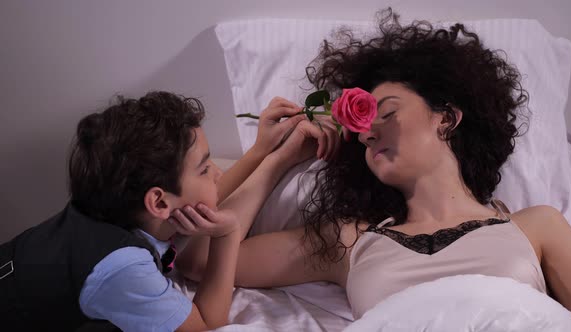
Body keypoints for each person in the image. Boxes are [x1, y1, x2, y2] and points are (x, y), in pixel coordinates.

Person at [175, 9, 571, 329]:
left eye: (386, 113)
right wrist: (275, 160)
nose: (368, 134)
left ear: (446, 118)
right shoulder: (349, 240)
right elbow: (198, 263)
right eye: (361, 128)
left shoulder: (537, 227)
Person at [0, 91, 331, 331]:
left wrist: (263, 152)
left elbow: (203, 198)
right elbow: (205, 325)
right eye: (204, 168)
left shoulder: (111, 208)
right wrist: (227, 235)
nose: (217, 173)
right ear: (158, 203)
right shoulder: (121, 266)